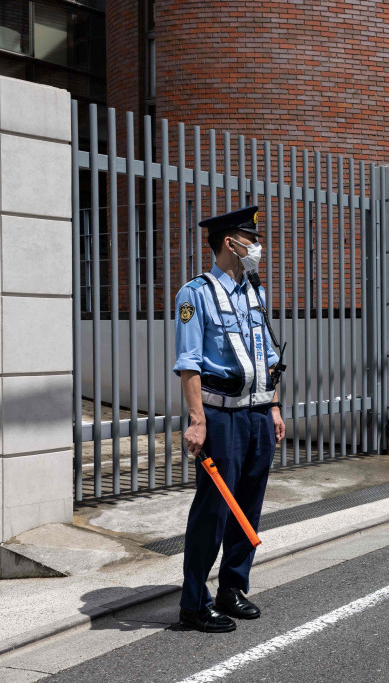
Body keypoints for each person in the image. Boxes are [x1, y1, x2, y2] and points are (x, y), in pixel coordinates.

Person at [174, 206, 286, 633]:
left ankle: (232, 587)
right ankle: (194, 602)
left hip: (258, 416)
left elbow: (268, 357)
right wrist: (197, 421)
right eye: (249, 238)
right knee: (215, 510)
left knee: (249, 507)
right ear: (229, 243)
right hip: (221, 419)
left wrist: (274, 407)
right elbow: (189, 365)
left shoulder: (252, 291)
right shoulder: (196, 294)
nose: (255, 247)